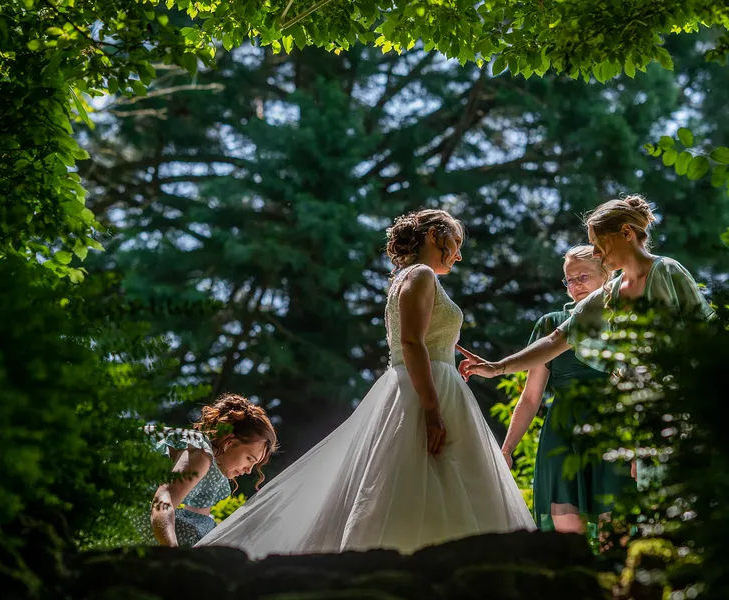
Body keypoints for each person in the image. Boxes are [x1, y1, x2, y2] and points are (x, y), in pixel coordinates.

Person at [196, 209, 534, 557]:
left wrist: (449, 348)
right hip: (428, 390)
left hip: (424, 381)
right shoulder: (420, 274)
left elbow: (423, 337)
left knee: (424, 480)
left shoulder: (406, 278)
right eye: (456, 242)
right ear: (435, 235)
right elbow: (412, 343)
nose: (459, 254)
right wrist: (432, 408)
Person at [459, 195, 715, 488]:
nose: (595, 251)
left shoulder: (667, 271)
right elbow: (557, 339)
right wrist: (497, 367)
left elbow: (706, 340)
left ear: (626, 234)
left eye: (597, 242)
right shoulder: (609, 296)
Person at [496, 245, 631, 534]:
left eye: (583, 276)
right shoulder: (550, 324)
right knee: (567, 537)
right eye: (569, 280)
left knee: (616, 531)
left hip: (613, 430)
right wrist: (506, 449)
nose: (574, 286)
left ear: (608, 276)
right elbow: (531, 397)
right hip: (562, 432)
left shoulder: (624, 321)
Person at [137, 394, 277, 547]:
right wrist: (172, 551)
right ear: (230, 443)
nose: (249, 470)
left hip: (132, 504)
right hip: (113, 487)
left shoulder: (215, 477)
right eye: (250, 459)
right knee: (191, 533)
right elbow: (163, 502)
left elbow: (200, 529)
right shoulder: (202, 453)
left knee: (203, 531)